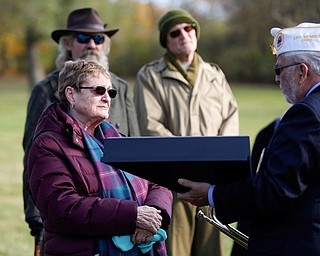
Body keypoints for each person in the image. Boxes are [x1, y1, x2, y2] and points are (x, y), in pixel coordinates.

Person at [177, 22, 320, 255]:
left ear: (302, 71)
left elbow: (276, 191)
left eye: (279, 70)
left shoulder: (306, 114)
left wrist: (213, 194)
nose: (277, 79)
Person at [22, 8, 140, 255]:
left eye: (98, 38)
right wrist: (36, 221)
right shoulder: (46, 89)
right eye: (84, 38)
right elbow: (34, 160)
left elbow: (136, 150)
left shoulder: (121, 87)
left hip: (123, 218)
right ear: (67, 43)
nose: (92, 45)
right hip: (70, 213)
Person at [28, 59, 172, 256]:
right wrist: (133, 216)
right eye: (98, 90)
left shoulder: (116, 138)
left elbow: (158, 181)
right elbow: (62, 207)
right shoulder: (49, 144)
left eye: (110, 92)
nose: (107, 98)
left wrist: (154, 214)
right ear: (71, 94)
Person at [133, 9, 239, 256]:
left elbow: (230, 119)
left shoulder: (215, 75)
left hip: (212, 184)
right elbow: (150, 126)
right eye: (175, 32)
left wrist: (219, 165)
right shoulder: (150, 76)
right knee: (174, 250)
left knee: (210, 250)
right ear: (166, 41)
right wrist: (186, 167)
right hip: (174, 183)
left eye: (189, 28)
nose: (184, 34)